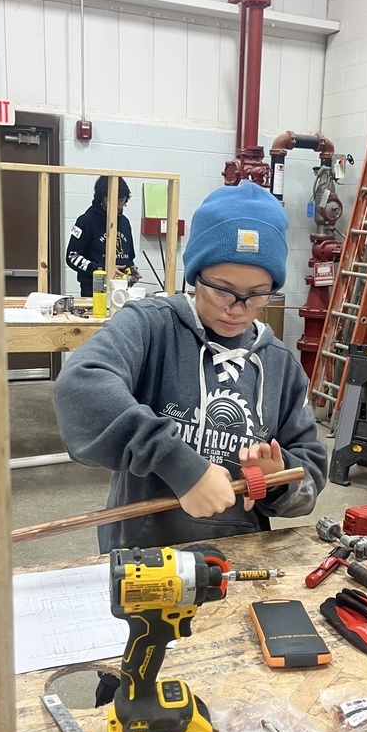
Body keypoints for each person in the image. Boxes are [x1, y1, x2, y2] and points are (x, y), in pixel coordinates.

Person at [54, 180, 327, 555]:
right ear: (195, 275)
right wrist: (179, 465)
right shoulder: (151, 326)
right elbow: (80, 386)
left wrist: (275, 482)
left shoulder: (280, 364)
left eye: (257, 294)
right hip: (143, 554)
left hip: (239, 557)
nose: (238, 308)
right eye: (222, 290)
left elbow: (309, 475)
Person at [66, 175, 139, 296]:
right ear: (102, 198)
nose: (117, 206)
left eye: (121, 201)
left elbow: (129, 257)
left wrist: (131, 271)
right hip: (93, 289)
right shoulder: (86, 221)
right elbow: (72, 257)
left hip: (121, 290)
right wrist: (101, 269)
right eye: (112, 200)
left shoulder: (125, 222)